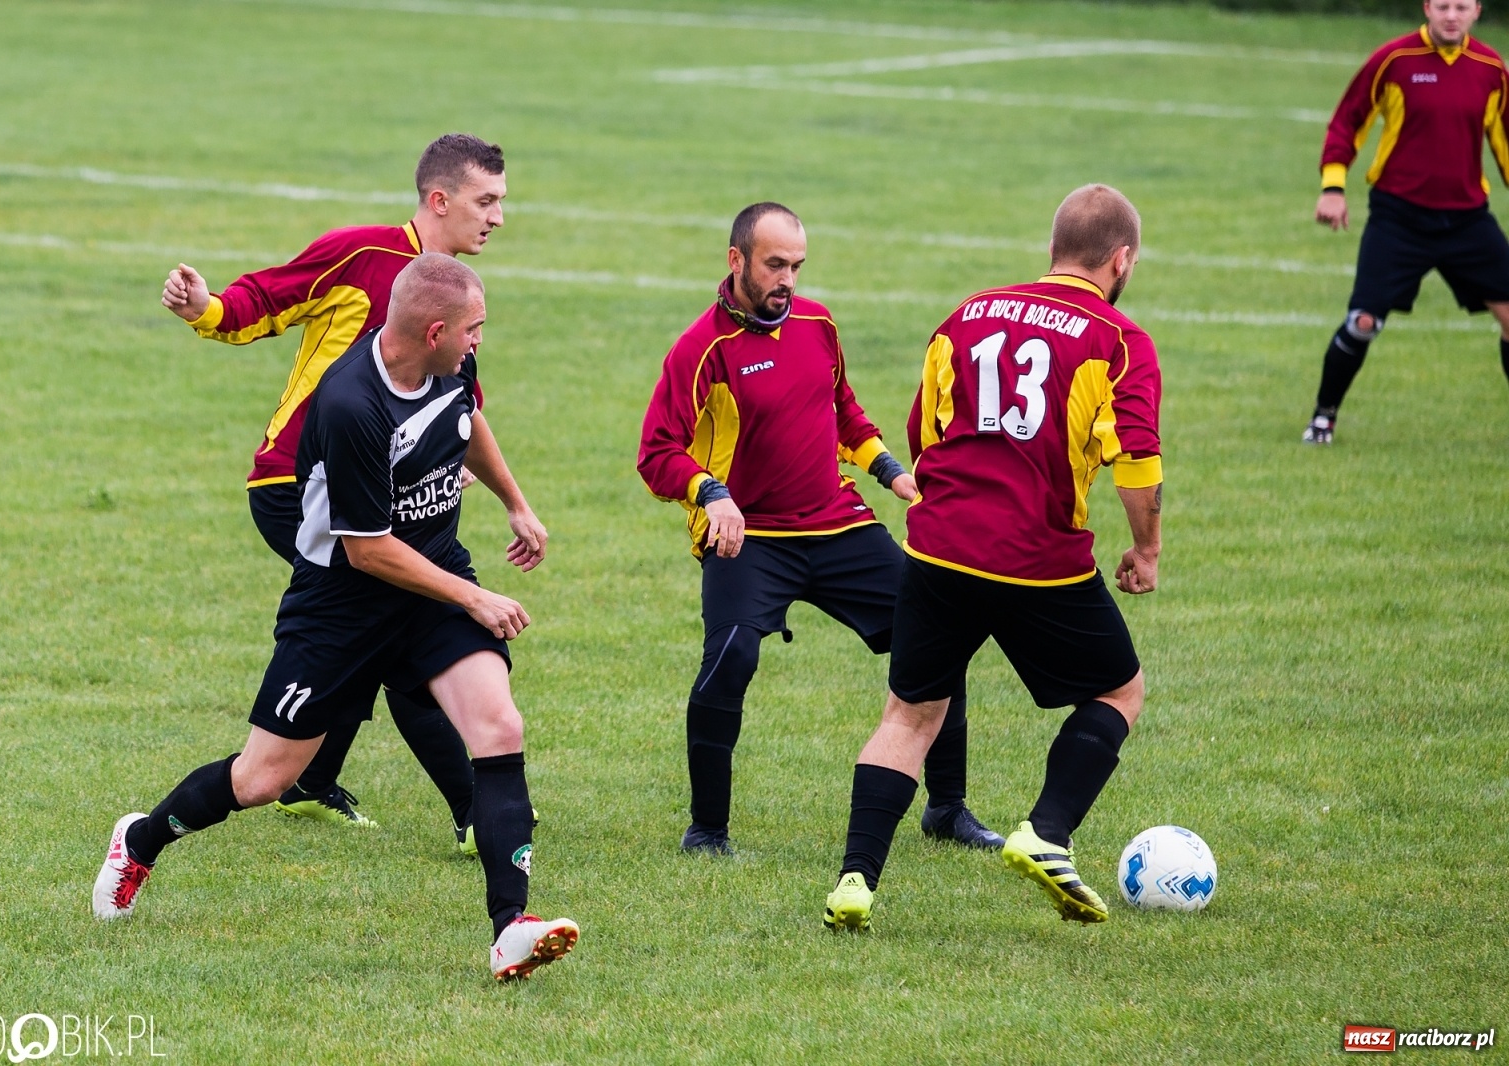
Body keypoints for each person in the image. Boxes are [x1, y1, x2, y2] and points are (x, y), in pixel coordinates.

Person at [95, 254, 579, 981]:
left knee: (499, 727)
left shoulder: (450, 364)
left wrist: (515, 501)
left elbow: (467, 417)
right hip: (341, 606)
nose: (482, 340)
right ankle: (140, 841)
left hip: (430, 585)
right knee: (259, 780)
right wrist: (474, 597)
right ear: (436, 329)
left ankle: (510, 927)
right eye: (474, 329)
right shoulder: (353, 403)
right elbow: (366, 551)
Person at [823, 184, 1162, 931]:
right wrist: (1145, 548)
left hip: (937, 547)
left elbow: (923, 428)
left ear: (1052, 250)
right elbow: (1136, 459)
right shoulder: (1120, 340)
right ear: (1121, 258)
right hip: (1041, 559)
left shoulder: (968, 314)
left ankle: (854, 881)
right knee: (1120, 692)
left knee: (909, 715)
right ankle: (1046, 833)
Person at [160, 134, 504, 845]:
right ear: (439, 200)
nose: (498, 217)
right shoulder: (364, 255)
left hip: (382, 489)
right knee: (402, 620)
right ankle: (476, 810)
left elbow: (451, 403)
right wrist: (208, 308)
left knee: (387, 625)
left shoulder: (451, 292)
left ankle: (311, 779)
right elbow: (271, 296)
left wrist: (450, 466)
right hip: (297, 483)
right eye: (487, 200)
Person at [638, 202, 1003, 855]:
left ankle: (947, 809)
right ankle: (707, 830)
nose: (788, 280)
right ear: (736, 260)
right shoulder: (703, 349)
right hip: (752, 540)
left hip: (838, 525)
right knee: (730, 659)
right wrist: (712, 494)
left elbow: (844, 413)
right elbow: (657, 451)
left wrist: (896, 475)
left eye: (797, 266)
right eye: (775, 265)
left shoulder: (817, 322)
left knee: (937, 636)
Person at [1305, 0, 1509, 444]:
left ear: (1477, 10)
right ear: (1427, 9)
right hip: (1398, 218)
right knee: (1363, 322)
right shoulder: (1394, 60)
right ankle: (1323, 418)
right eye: (1442, 6)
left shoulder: (1492, 68)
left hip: (1468, 221)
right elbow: (1347, 121)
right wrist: (1333, 187)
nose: (1451, 15)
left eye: (1461, 6)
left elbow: (1506, 142)